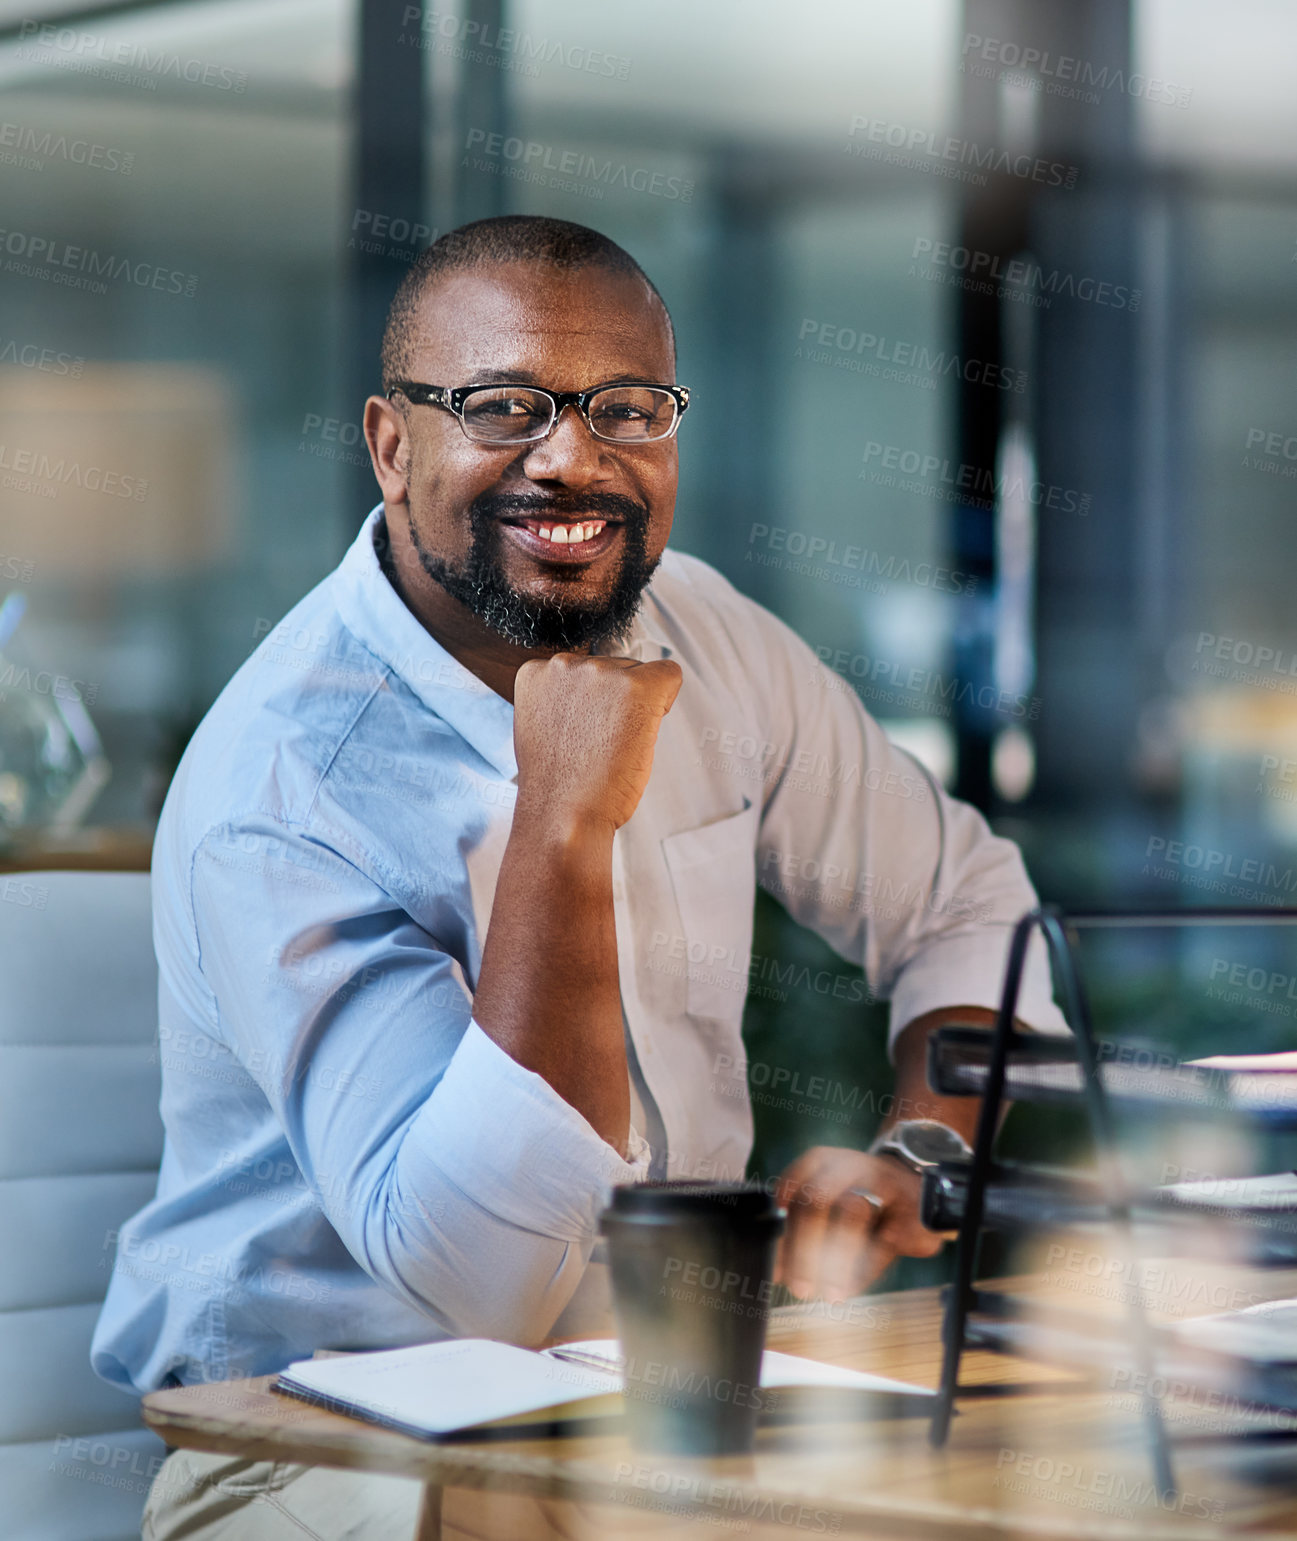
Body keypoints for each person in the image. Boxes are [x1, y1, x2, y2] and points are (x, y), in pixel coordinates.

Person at [92, 215, 1064, 1537]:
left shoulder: (710, 634)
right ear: (390, 444)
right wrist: (562, 819)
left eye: (626, 408)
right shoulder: (286, 778)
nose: (571, 458)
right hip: (313, 1438)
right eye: (502, 406)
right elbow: (486, 1275)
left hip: (662, 1408)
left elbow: (965, 906)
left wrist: (918, 1146)